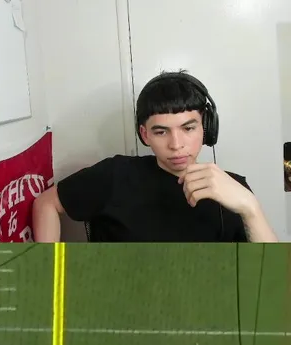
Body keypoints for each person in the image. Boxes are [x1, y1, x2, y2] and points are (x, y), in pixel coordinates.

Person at [32, 71, 277, 242]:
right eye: (161, 132)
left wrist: (250, 208)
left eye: (188, 128)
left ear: (206, 128)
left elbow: (273, 281)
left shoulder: (233, 187)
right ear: (145, 134)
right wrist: (50, 273)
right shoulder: (115, 175)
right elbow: (46, 204)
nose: (176, 145)